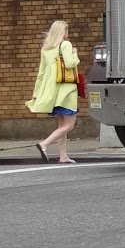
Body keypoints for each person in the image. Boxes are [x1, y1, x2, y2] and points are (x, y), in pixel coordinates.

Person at [25, 19, 80, 164]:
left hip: (52, 92)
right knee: (69, 125)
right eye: (67, 30)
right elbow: (70, 63)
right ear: (63, 32)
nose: (68, 34)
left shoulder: (46, 49)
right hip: (66, 90)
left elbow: (41, 74)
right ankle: (44, 144)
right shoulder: (66, 45)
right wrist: (75, 54)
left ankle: (63, 156)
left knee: (62, 125)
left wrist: (36, 94)